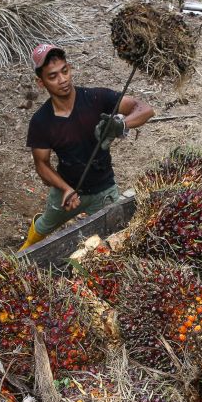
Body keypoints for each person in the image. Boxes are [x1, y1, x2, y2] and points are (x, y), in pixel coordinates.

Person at [20, 43, 155, 250]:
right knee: (44, 228)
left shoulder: (96, 98)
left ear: (70, 68)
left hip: (104, 189)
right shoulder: (41, 122)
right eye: (53, 76)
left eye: (65, 71)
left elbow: (144, 109)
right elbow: (42, 165)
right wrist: (65, 189)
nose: (63, 80)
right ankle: (25, 248)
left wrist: (121, 125)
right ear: (41, 82)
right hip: (65, 191)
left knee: (115, 240)